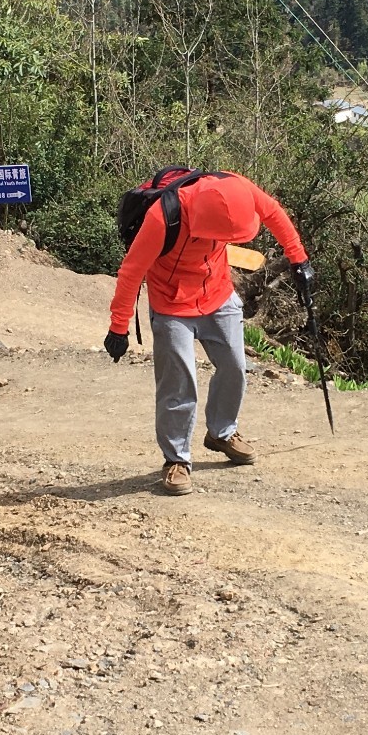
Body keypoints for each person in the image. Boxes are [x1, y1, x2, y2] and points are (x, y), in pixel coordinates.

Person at [104, 169, 314, 495]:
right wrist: (119, 327)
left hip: (217, 294)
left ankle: (222, 432)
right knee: (179, 383)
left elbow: (272, 212)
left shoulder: (236, 186)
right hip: (171, 303)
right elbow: (131, 271)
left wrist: (299, 260)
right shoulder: (164, 218)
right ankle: (176, 460)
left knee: (234, 366)